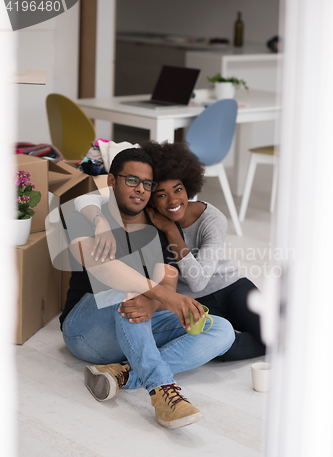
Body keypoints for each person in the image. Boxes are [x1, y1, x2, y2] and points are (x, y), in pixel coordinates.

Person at [61, 148, 234, 429]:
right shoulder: (87, 216)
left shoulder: (154, 227)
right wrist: (163, 296)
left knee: (221, 329)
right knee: (124, 290)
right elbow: (104, 269)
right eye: (132, 180)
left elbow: (168, 276)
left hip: (133, 327)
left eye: (147, 184)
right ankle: (162, 391)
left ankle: (123, 374)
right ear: (112, 182)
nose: (140, 189)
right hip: (86, 331)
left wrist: (153, 302)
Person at [74, 142, 265, 361]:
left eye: (178, 190)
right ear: (151, 200)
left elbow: (199, 281)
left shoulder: (211, 220)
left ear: (188, 187)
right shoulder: (143, 214)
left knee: (275, 336)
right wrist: (100, 222)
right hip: (184, 299)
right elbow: (85, 199)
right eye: (162, 195)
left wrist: (171, 231)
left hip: (230, 286)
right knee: (216, 347)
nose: (173, 201)